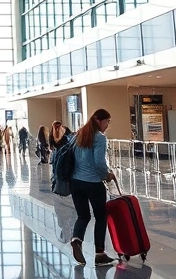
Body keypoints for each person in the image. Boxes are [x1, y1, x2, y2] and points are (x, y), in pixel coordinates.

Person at [68, 109, 117, 267]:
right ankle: (100, 254)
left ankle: (76, 239)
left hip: (75, 182)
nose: (107, 125)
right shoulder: (99, 138)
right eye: (107, 122)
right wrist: (107, 175)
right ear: (98, 120)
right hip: (93, 183)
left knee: (83, 216)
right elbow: (99, 163)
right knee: (101, 216)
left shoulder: (78, 135)